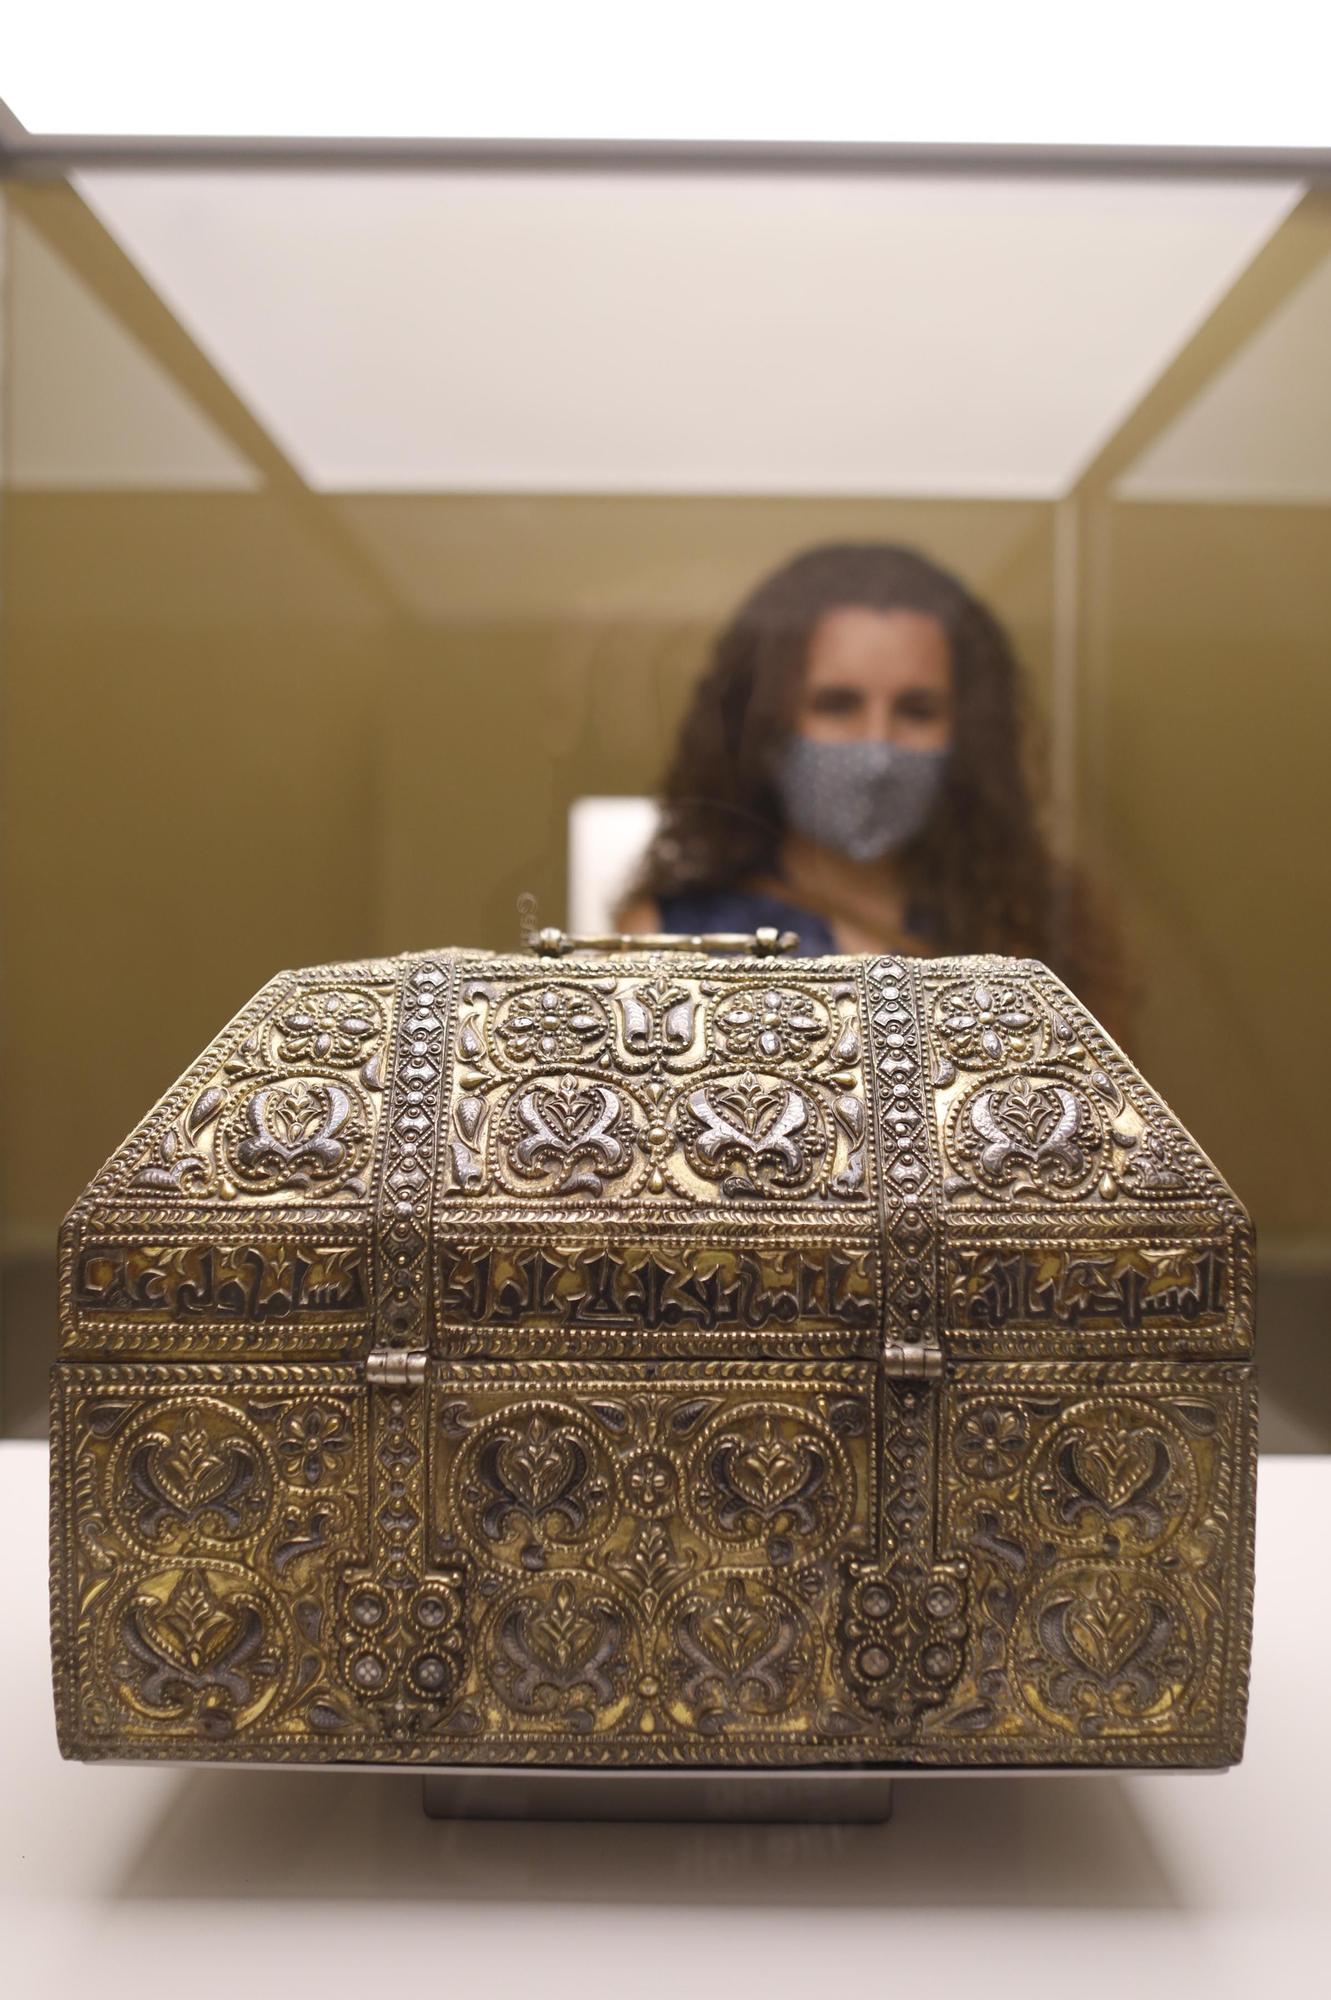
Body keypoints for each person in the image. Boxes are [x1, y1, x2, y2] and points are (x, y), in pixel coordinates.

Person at [618, 541, 1129, 1037]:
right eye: (837, 705)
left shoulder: (1034, 939)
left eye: (916, 710)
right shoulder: (670, 939)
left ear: (968, 736)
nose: (878, 751)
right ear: (763, 725)